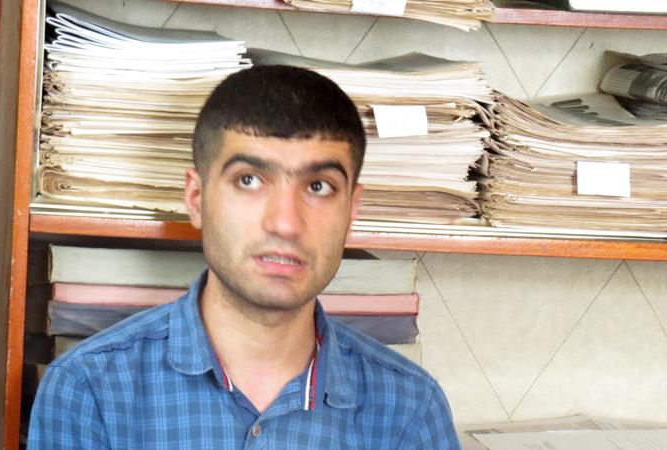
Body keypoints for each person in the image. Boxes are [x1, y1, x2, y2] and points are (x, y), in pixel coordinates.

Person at [28, 65, 460, 449]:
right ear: (196, 198)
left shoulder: (410, 408)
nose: (285, 223)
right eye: (249, 180)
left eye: (318, 187)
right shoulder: (89, 391)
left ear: (351, 209)